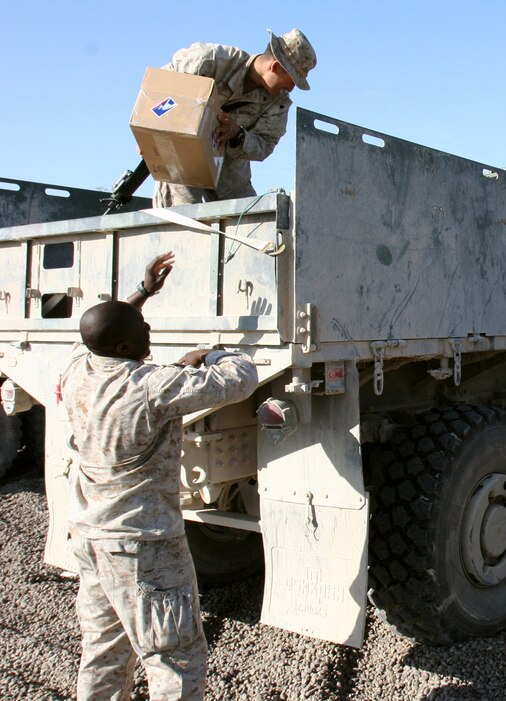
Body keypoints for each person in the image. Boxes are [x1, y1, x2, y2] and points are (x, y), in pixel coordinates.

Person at [61, 252, 259, 700]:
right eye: (142, 331)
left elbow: (103, 335)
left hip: (92, 540)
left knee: (103, 651)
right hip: (142, 547)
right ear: (126, 349)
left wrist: (144, 293)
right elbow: (240, 378)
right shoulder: (151, 385)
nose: (149, 329)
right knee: (175, 658)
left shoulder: (79, 368)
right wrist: (213, 353)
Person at [153, 29, 317, 207]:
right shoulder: (210, 60)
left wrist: (238, 134)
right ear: (275, 67)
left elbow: (265, 145)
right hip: (183, 156)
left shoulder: (278, 104)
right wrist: (154, 130)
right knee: (182, 217)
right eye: (291, 81)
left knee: (250, 219)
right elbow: (162, 90)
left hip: (230, 172)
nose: (290, 89)